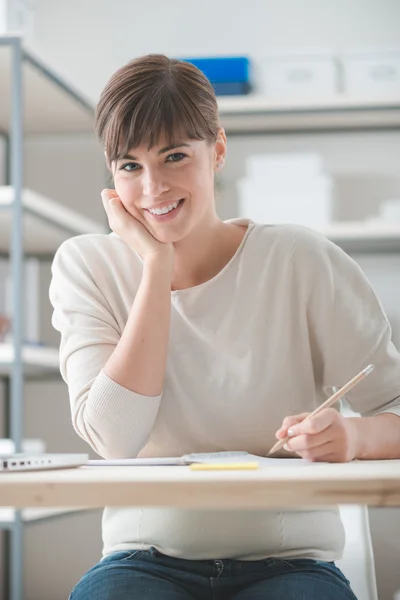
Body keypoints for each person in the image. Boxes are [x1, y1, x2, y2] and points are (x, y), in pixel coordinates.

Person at [49, 54, 400, 600]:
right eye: (130, 166)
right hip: (142, 561)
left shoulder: (300, 259)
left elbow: (395, 408)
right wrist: (155, 267)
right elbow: (114, 438)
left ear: (217, 150)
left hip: (290, 564)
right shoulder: (86, 265)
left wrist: (353, 435)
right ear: (111, 173)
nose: (152, 188)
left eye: (174, 156)